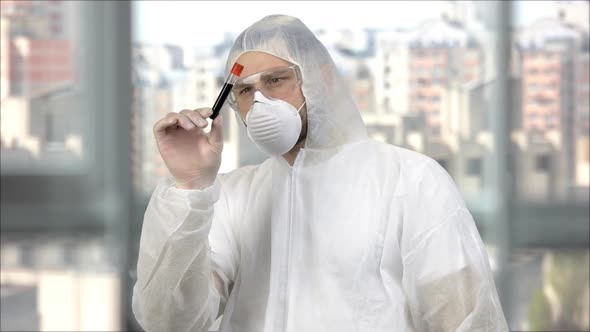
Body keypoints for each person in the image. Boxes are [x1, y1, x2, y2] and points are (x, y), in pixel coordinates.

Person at [132, 15, 509, 332]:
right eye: (245, 90)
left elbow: (465, 320)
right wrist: (189, 187)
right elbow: (170, 320)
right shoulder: (233, 197)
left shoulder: (409, 182)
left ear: (320, 78)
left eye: (275, 80)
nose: (260, 101)